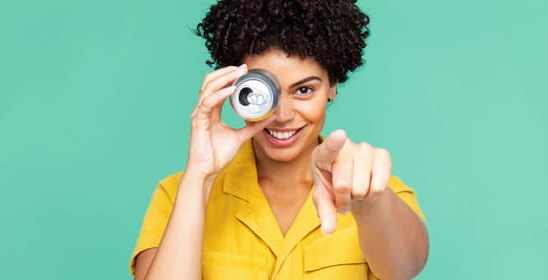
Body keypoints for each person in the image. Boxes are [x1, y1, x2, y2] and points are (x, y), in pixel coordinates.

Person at [129, 1, 429, 279]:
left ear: (332, 87)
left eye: (303, 90)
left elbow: (404, 268)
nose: (282, 115)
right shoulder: (178, 195)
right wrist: (200, 176)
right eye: (261, 94)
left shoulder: (372, 190)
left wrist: (370, 205)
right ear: (233, 90)